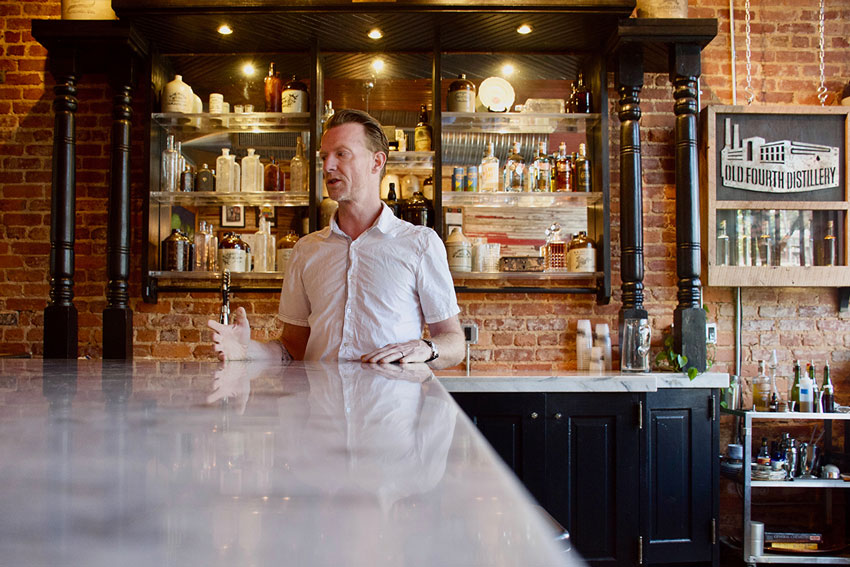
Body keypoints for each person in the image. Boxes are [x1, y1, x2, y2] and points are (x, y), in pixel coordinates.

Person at [208, 109, 465, 369]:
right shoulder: (306, 250)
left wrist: (426, 347)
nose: (328, 165)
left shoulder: (420, 244)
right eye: (324, 156)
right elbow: (293, 347)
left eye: (341, 154)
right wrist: (248, 349)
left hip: (392, 408)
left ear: (376, 162)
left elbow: (455, 344)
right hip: (321, 408)